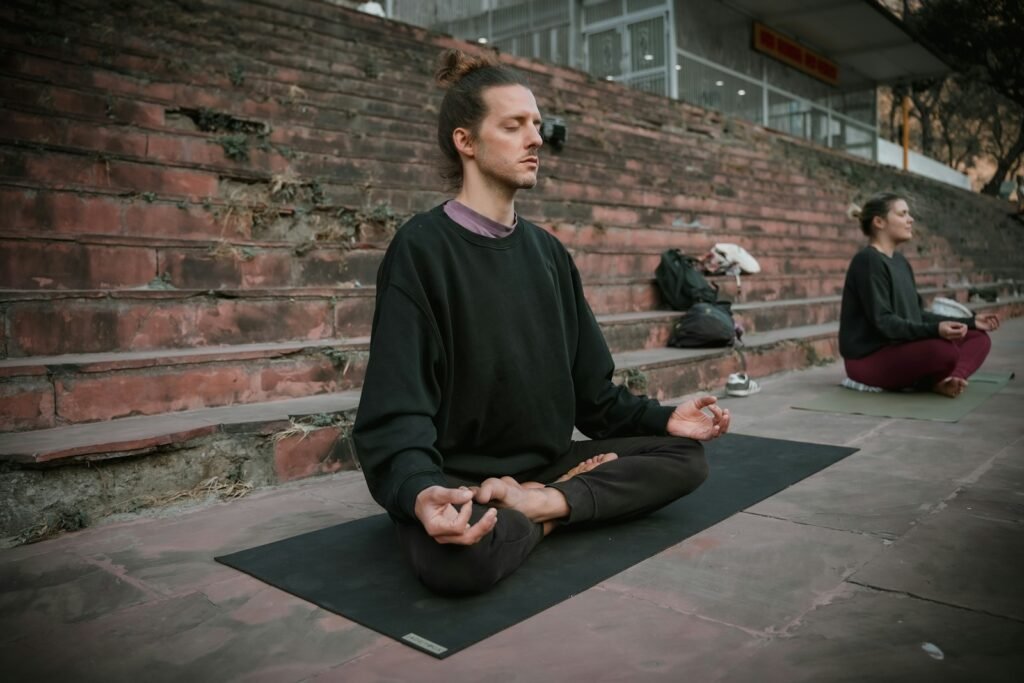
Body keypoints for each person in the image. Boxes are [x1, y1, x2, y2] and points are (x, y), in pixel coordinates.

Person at [352, 49, 730, 595]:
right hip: (462, 480)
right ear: (467, 142)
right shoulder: (421, 250)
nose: (536, 139)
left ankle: (540, 506)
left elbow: (594, 397)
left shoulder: (550, 254)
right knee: (460, 562)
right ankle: (559, 508)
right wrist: (419, 491)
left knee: (685, 458)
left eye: (536, 124)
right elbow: (395, 413)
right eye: (514, 126)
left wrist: (665, 419)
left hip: (550, 469)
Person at [839, 193, 1000, 398]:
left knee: (978, 338)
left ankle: (951, 380)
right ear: (879, 222)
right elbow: (884, 323)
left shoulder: (900, 262)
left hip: (899, 350)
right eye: (902, 213)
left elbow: (917, 314)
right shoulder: (868, 261)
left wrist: (971, 322)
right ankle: (934, 380)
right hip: (867, 359)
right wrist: (935, 330)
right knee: (944, 352)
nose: (910, 219)